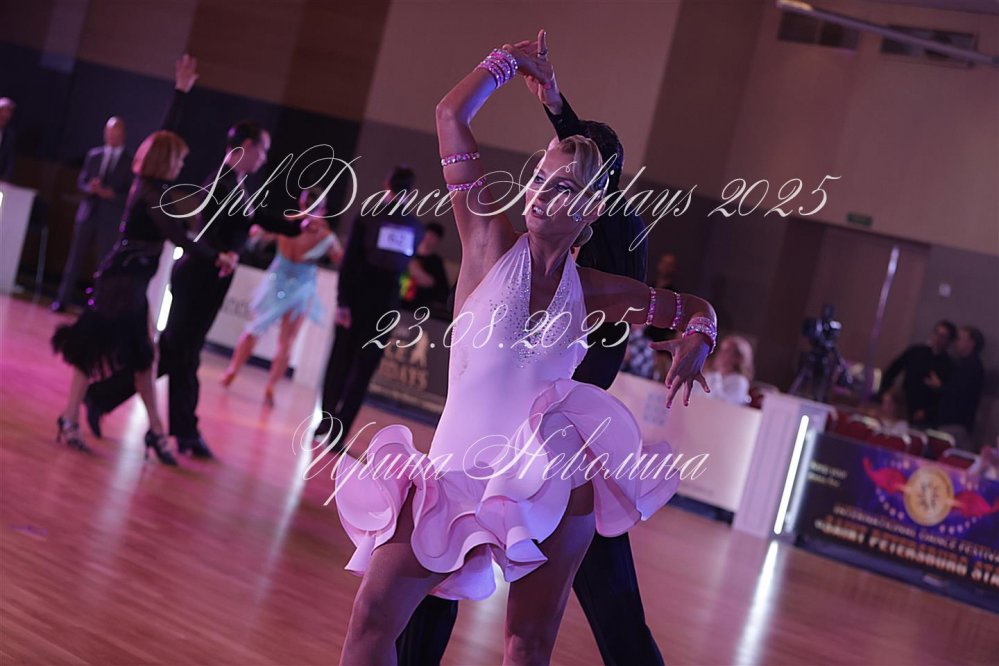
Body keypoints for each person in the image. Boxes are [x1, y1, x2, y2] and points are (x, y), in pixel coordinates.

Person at [334, 34, 716, 665]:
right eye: (538, 178)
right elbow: (449, 116)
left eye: (561, 187)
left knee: (528, 645)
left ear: (591, 211)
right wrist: (506, 63)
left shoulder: (597, 290)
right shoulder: (486, 239)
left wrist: (699, 340)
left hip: (548, 484)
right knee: (372, 620)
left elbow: (693, 308)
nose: (540, 192)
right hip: (452, 477)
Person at [81, 55, 310, 458]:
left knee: (181, 355)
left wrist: (294, 225)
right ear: (247, 147)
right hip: (198, 276)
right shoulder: (223, 181)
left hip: (208, 276)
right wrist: (268, 235)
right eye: (263, 150)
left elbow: (252, 218)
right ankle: (120, 404)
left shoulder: (237, 183)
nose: (265, 158)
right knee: (177, 354)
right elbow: (220, 227)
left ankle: (176, 428)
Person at [50, 130, 236, 462]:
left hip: (131, 285)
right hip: (118, 285)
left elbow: (181, 230)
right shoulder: (150, 192)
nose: (182, 165)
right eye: (179, 159)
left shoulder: (155, 190)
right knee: (93, 353)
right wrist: (216, 257)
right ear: (166, 159)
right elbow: (179, 237)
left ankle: (155, 431)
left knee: (144, 359)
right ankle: (72, 419)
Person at [312, 166, 424, 448]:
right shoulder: (414, 226)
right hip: (386, 303)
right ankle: (339, 432)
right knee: (363, 368)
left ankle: (328, 420)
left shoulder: (368, 216)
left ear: (387, 183)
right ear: (411, 191)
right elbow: (401, 266)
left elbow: (349, 262)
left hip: (359, 296)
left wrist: (343, 301)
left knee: (341, 360)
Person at [220, 186, 343, 405]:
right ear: (323, 209)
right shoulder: (321, 234)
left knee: (262, 330)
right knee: (281, 338)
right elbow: (341, 261)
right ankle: (263, 382)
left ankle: (238, 372)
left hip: (288, 283)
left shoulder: (294, 225)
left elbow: (258, 235)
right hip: (291, 284)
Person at [52, 117, 133, 312]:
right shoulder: (94, 155)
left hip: (110, 218)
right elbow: (81, 182)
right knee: (75, 259)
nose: (111, 136)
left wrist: (112, 194)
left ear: (123, 135)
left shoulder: (129, 162)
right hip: (88, 213)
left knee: (103, 262)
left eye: (115, 133)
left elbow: (130, 194)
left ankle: (97, 305)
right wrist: (91, 188)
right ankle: (62, 299)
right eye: (108, 132)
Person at [877, 320, 956, 427]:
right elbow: (892, 370)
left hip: (924, 413)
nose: (937, 338)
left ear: (949, 341)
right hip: (903, 405)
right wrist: (885, 392)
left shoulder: (950, 365)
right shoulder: (916, 352)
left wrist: (928, 412)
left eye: (943, 336)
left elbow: (947, 396)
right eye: (936, 333)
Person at [933, 325, 985, 452]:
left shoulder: (972, 367)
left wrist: (940, 387)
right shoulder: (961, 364)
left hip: (955, 425)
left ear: (971, 343)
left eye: (960, 338)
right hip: (950, 423)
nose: (956, 342)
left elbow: (958, 393)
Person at [400, 222, 450, 314]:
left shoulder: (435, 262)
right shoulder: (407, 254)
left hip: (420, 307)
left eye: (433, 237)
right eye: (428, 235)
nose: (429, 239)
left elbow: (436, 286)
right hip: (399, 301)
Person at [698, 334, 753, 405]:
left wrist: (715, 377)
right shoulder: (711, 375)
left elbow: (721, 404)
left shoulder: (739, 382)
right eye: (721, 350)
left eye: (727, 351)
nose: (720, 354)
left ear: (737, 358)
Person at [0, 97, 15, 181]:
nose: (6, 115)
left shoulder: (9, 136)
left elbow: (9, 160)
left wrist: (5, 178)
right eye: (3, 111)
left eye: (8, 112)